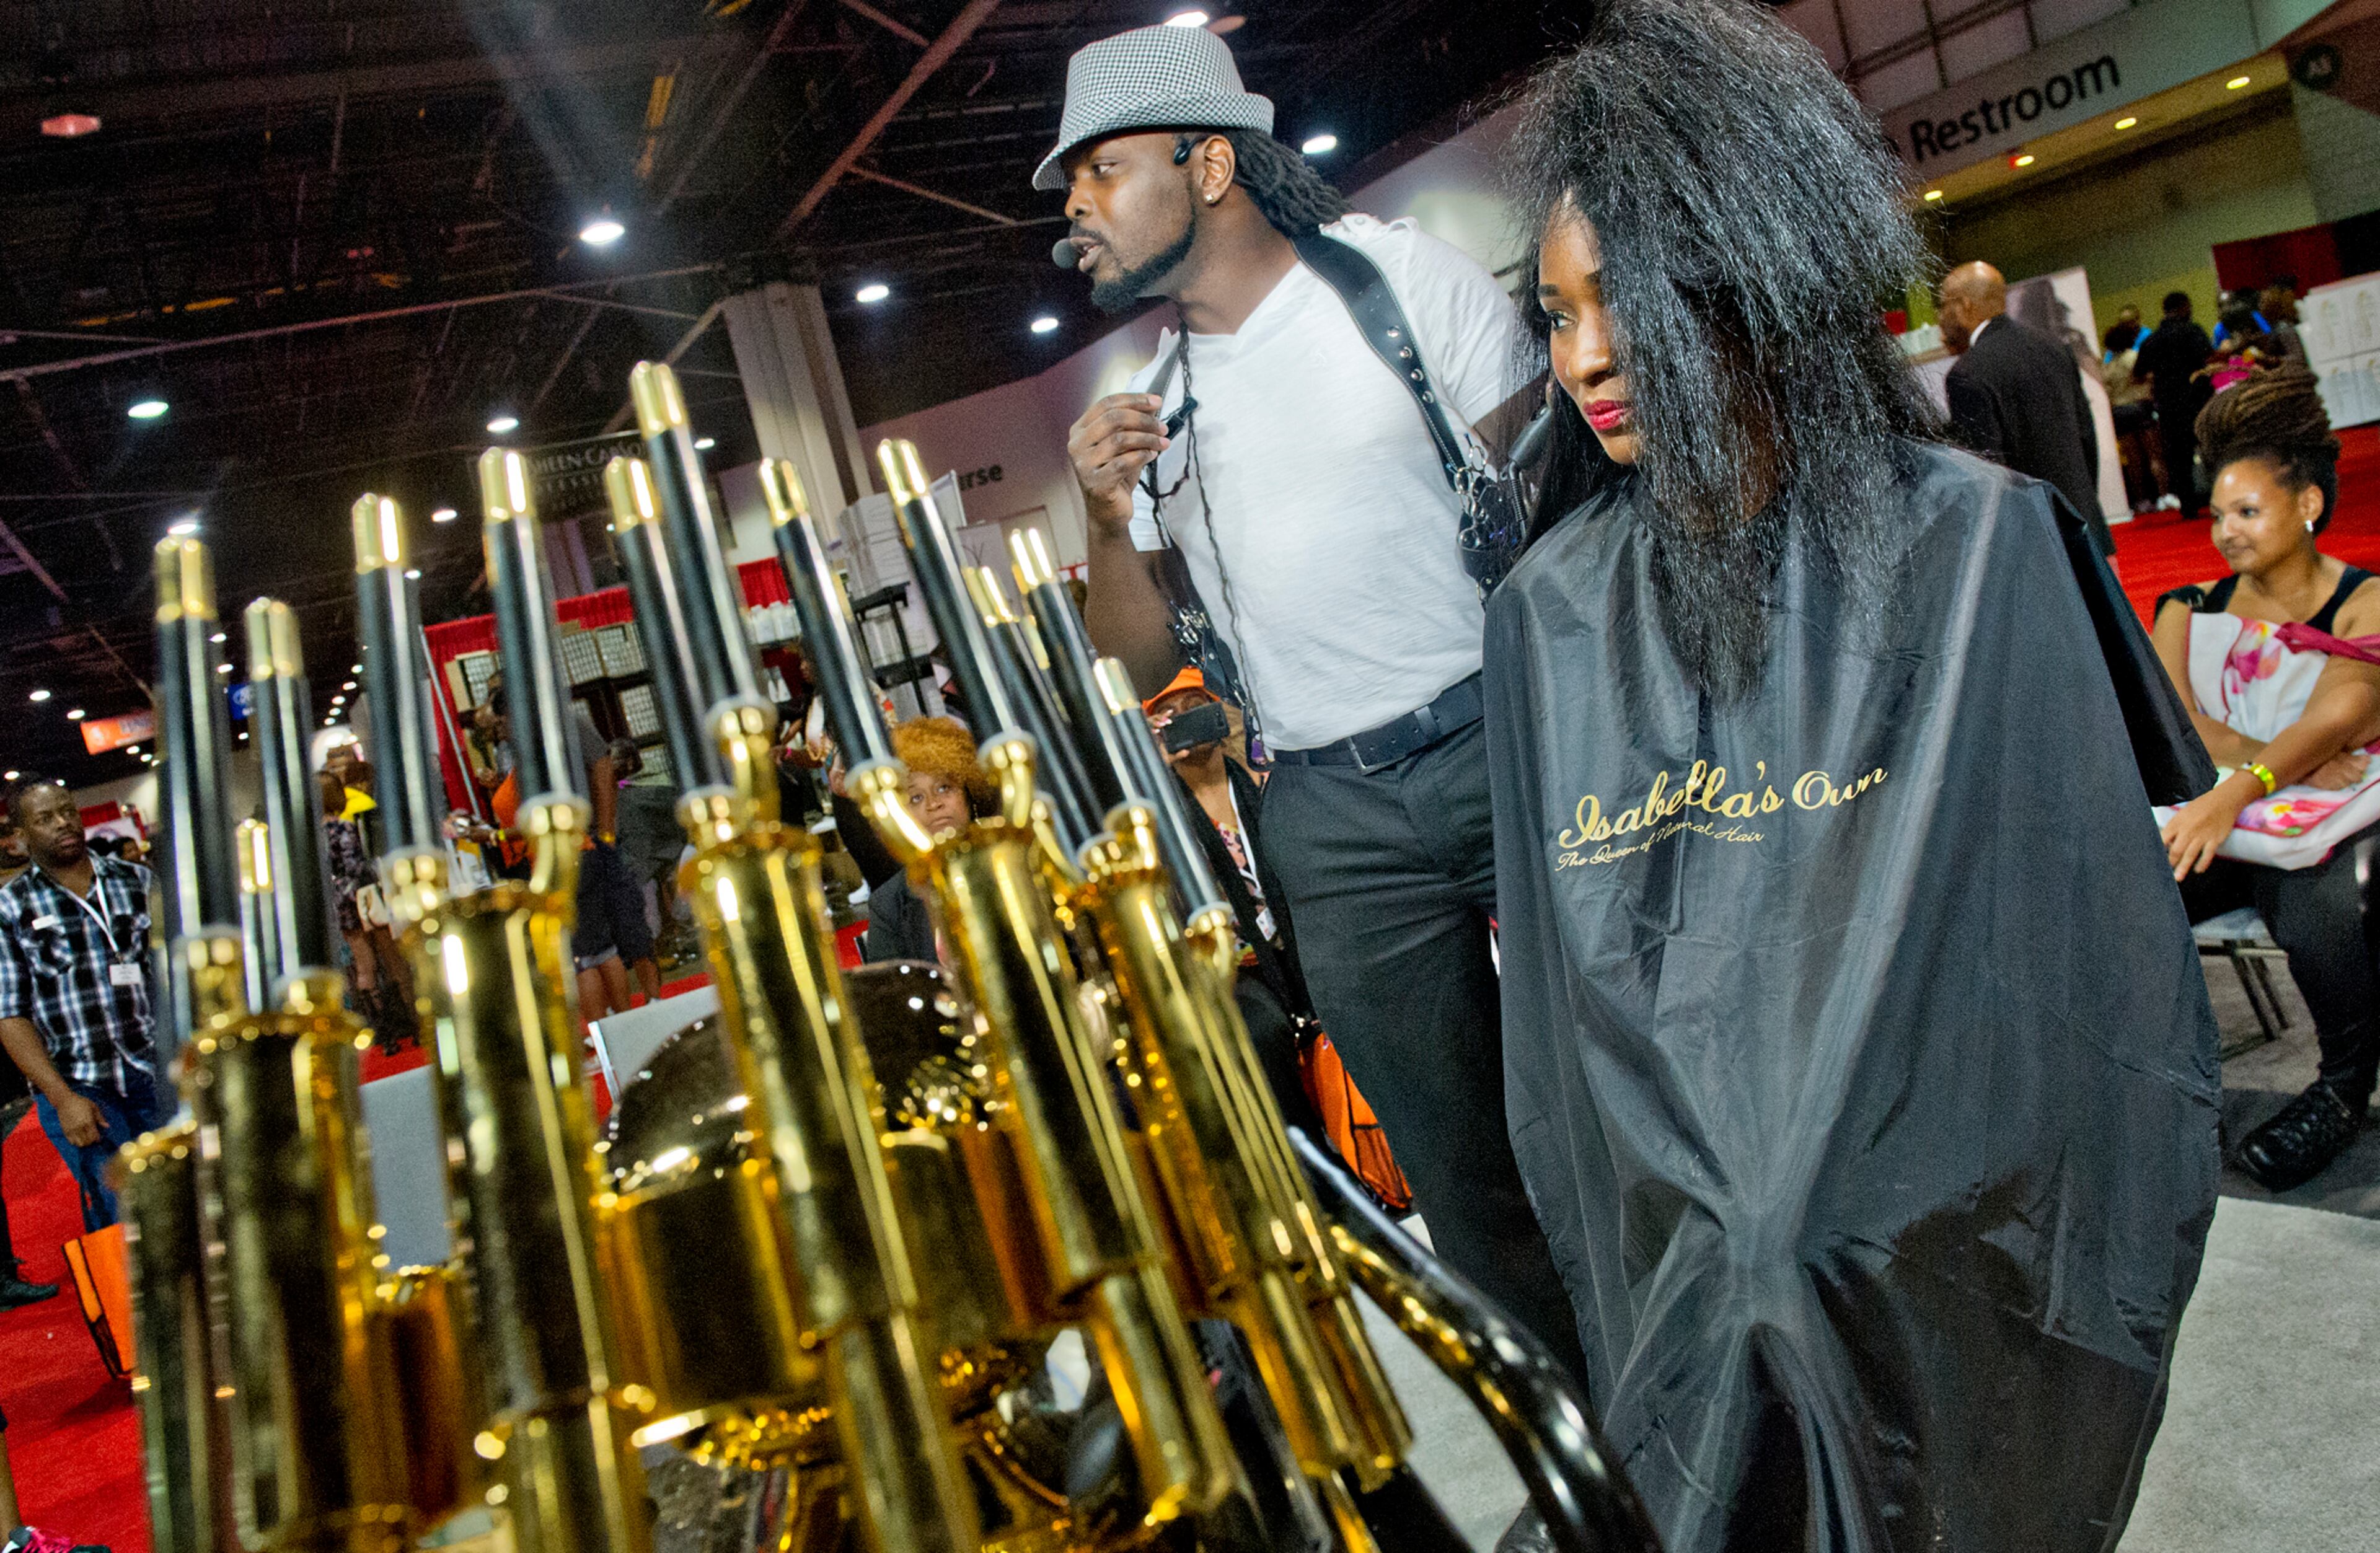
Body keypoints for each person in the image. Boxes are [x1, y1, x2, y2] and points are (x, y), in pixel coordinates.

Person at [1489, 4, 2220, 1549]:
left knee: (1802, 1265)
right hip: (1679, 1176)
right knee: (1744, 1274)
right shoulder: (1544, 615)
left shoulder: (1976, 546)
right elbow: (1571, 1026)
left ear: (1754, 272)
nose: (1590, 357)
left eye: (1624, 301)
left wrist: (1814, 1168)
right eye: (1553, 317)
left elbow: (2070, 949)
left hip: (1937, 1150)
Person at [1048, 20, 1587, 1386]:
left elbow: (1572, 518)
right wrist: (1107, 523)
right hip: (1329, 821)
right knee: (1464, 1180)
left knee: (1615, 1109)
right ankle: (1593, 1465)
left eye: (1101, 171)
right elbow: (1130, 656)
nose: (1075, 208)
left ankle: (1712, 1416)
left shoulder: (1398, 289)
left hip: (1508, 743)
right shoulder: (1153, 405)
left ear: (1210, 162)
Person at [2153, 367, 2380, 1191]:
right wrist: (2268, 756)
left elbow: (2340, 713)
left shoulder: (2365, 602)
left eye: (2247, 512)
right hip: (2222, 817)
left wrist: (2240, 780)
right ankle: (2135, 1083)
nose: (2226, 534)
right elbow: (2178, 723)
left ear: (2309, 504)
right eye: (2217, 513)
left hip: (2325, 830)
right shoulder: (2188, 604)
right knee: (2111, 887)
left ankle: (2343, 1086)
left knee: (2322, 895)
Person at [0, 776, 173, 1231]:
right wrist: (62, 1099)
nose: (63, 824)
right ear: (20, 838)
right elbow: (9, 1016)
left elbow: (174, 977)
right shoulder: (10, 909)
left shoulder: (136, 881)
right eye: (45, 819)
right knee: (126, 1227)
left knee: (187, 1205)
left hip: (156, 1074)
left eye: (67, 811)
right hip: (83, 1089)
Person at [1939, 260, 2114, 555]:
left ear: (1965, 306)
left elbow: (1986, 472)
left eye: (1943, 306)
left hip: (2034, 545)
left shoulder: (1967, 373)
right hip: (2086, 528)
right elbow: (2086, 438)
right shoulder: (2055, 349)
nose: (1940, 317)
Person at [860, 716, 987, 964]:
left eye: (944, 788)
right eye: (916, 798)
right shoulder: (888, 905)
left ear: (968, 794)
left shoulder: (1012, 864)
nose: (934, 804)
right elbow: (894, 992)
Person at [318, 767, 415, 1049]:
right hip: (366, 896)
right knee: (393, 957)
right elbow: (356, 866)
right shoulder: (345, 828)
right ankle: (411, 1020)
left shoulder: (318, 835)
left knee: (364, 966)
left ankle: (383, 1032)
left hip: (340, 903)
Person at [2133, 291, 2216, 509]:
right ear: (2184, 307)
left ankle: (2188, 503)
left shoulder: (2152, 340)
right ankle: (2217, 497)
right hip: (2198, 401)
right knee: (2209, 449)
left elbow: (2138, 373)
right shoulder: (2193, 332)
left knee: (2179, 456)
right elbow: (2210, 358)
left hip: (2169, 406)